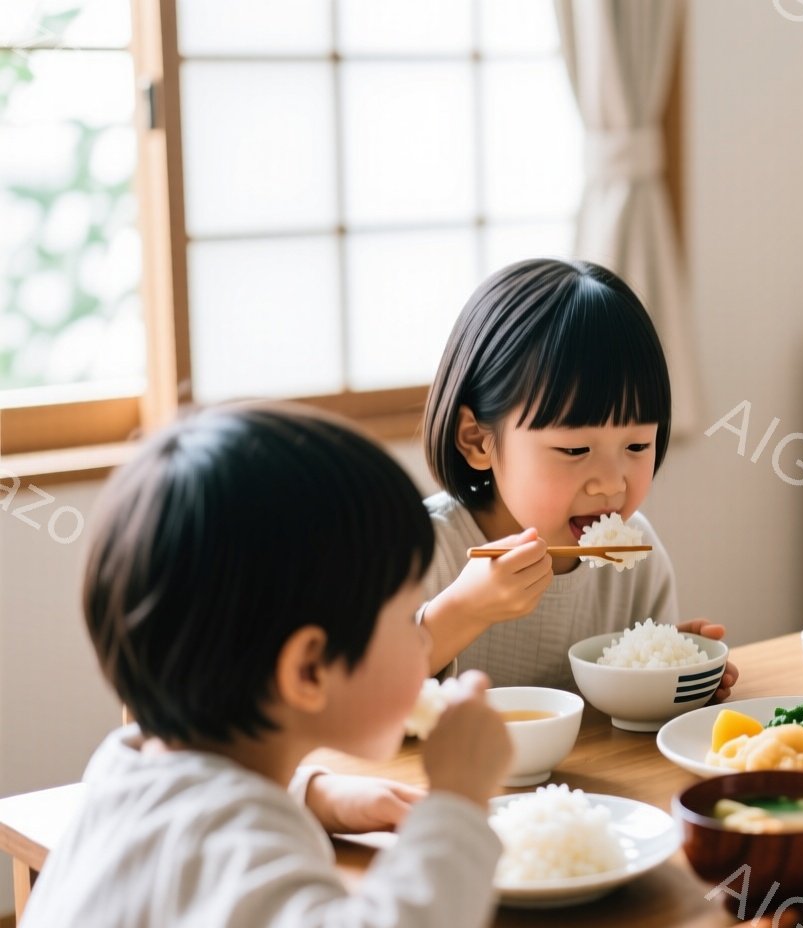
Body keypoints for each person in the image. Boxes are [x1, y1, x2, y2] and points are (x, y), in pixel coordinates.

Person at [24, 405, 511, 927]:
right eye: (409, 619)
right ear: (308, 671)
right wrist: (458, 802)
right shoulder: (245, 857)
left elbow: (205, 805)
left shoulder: (127, 768)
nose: (424, 642)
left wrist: (312, 795)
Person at [418, 258, 737, 697]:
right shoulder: (424, 552)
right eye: (574, 449)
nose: (611, 483)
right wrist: (462, 611)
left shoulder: (636, 565)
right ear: (478, 441)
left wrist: (665, 668)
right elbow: (360, 707)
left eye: (637, 447)